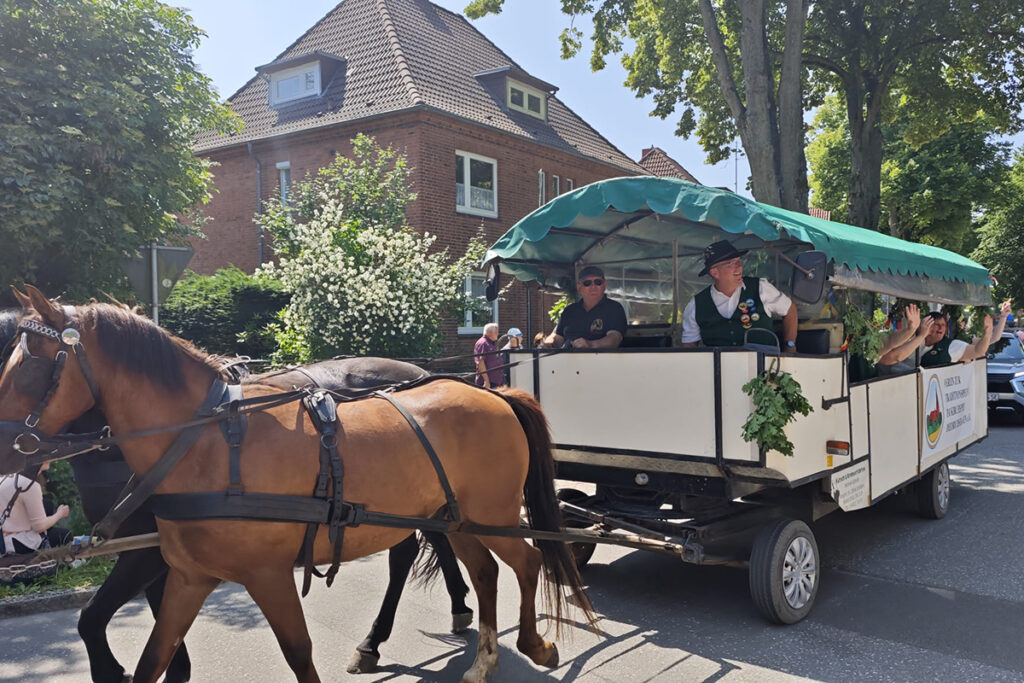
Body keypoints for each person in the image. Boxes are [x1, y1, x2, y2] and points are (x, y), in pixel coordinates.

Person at [681, 240, 797, 349]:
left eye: (739, 261)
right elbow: (689, 346)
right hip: (720, 369)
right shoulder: (696, 304)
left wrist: (790, 346)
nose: (739, 267)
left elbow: (790, 309)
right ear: (715, 272)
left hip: (764, 368)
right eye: (732, 263)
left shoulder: (761, 288)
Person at [878, 300, 1011, 367]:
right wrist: (918, 334)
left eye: (943, 325)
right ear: (925, 324)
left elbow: (981, 349)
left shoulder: (951, 345)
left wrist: (990, 329)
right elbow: (889, 359)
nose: (940, 329)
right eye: (935, 325)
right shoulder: (910, 339)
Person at [542, 265, 627, 349]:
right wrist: (548, 344)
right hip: (567, 360)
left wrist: (590, 345)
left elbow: (615, 338)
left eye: (598, 282)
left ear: (604, 285)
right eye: (587, 283)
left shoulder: (614, 308)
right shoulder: (569, 311)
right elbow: (558, 337)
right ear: (579, 287)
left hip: (601, 360)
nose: (593, 287)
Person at [1, 462, 71, 555]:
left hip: (3, 541)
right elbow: (39, 526)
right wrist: (60, 514)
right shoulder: (28, 484)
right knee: (65, 535)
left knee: (48, 507)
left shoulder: (4, 478)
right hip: (19, 542)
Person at [473, 322, 503, 388]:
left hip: (495, 381)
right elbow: (480, 362)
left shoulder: (491, 343)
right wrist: (486, 381)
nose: (497, 334)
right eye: (496, 332)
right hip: (489, 382)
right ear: (489, 333)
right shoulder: (483, 343)